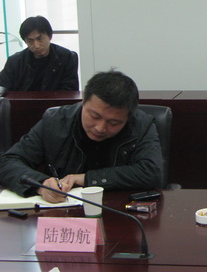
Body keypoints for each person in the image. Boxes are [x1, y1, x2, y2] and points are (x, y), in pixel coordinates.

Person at [0, 70, 163, 202]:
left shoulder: (141, 124)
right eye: (94, 116)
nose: (100, 128)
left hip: (122, 212)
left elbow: (152, 173)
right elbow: (8, 162)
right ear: (83, 102)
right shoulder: (55, 121)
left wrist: (85, 179)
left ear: (128, 117)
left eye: (114, 123)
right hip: (64, 214)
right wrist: (41, 184)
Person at [0, 16, 79, 93]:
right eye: (30, 41)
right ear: (25, 42)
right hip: (22, 102)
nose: (36, 46)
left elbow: (71, 91)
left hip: (57, 102)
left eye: (40, 39)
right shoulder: (15, 62)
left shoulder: (66, 57)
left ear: (50, 36)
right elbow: (2, 86)